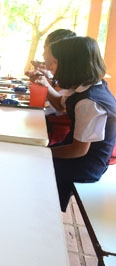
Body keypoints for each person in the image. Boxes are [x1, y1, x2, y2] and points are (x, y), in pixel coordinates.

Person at [34, 36, 116, 212]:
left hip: (87, 164)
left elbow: (79, 150)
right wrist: (44, 84)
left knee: (36, 169)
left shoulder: (89, 102)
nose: (48, 67)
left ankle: (47, 214)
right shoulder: (85, 87)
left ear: (72, 64)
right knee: (34, 161)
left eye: (54, 63)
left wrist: (42, 152)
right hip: (77, 153)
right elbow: (60, 105)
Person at [26, 29, 77, 146]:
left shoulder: (80, 82)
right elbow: (61, 103)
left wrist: (45, 82)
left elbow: (62, 107)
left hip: (60, 134)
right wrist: (44, 81)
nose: (43, 54)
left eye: (46, 49)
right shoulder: (65, 74)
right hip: (52, 124)